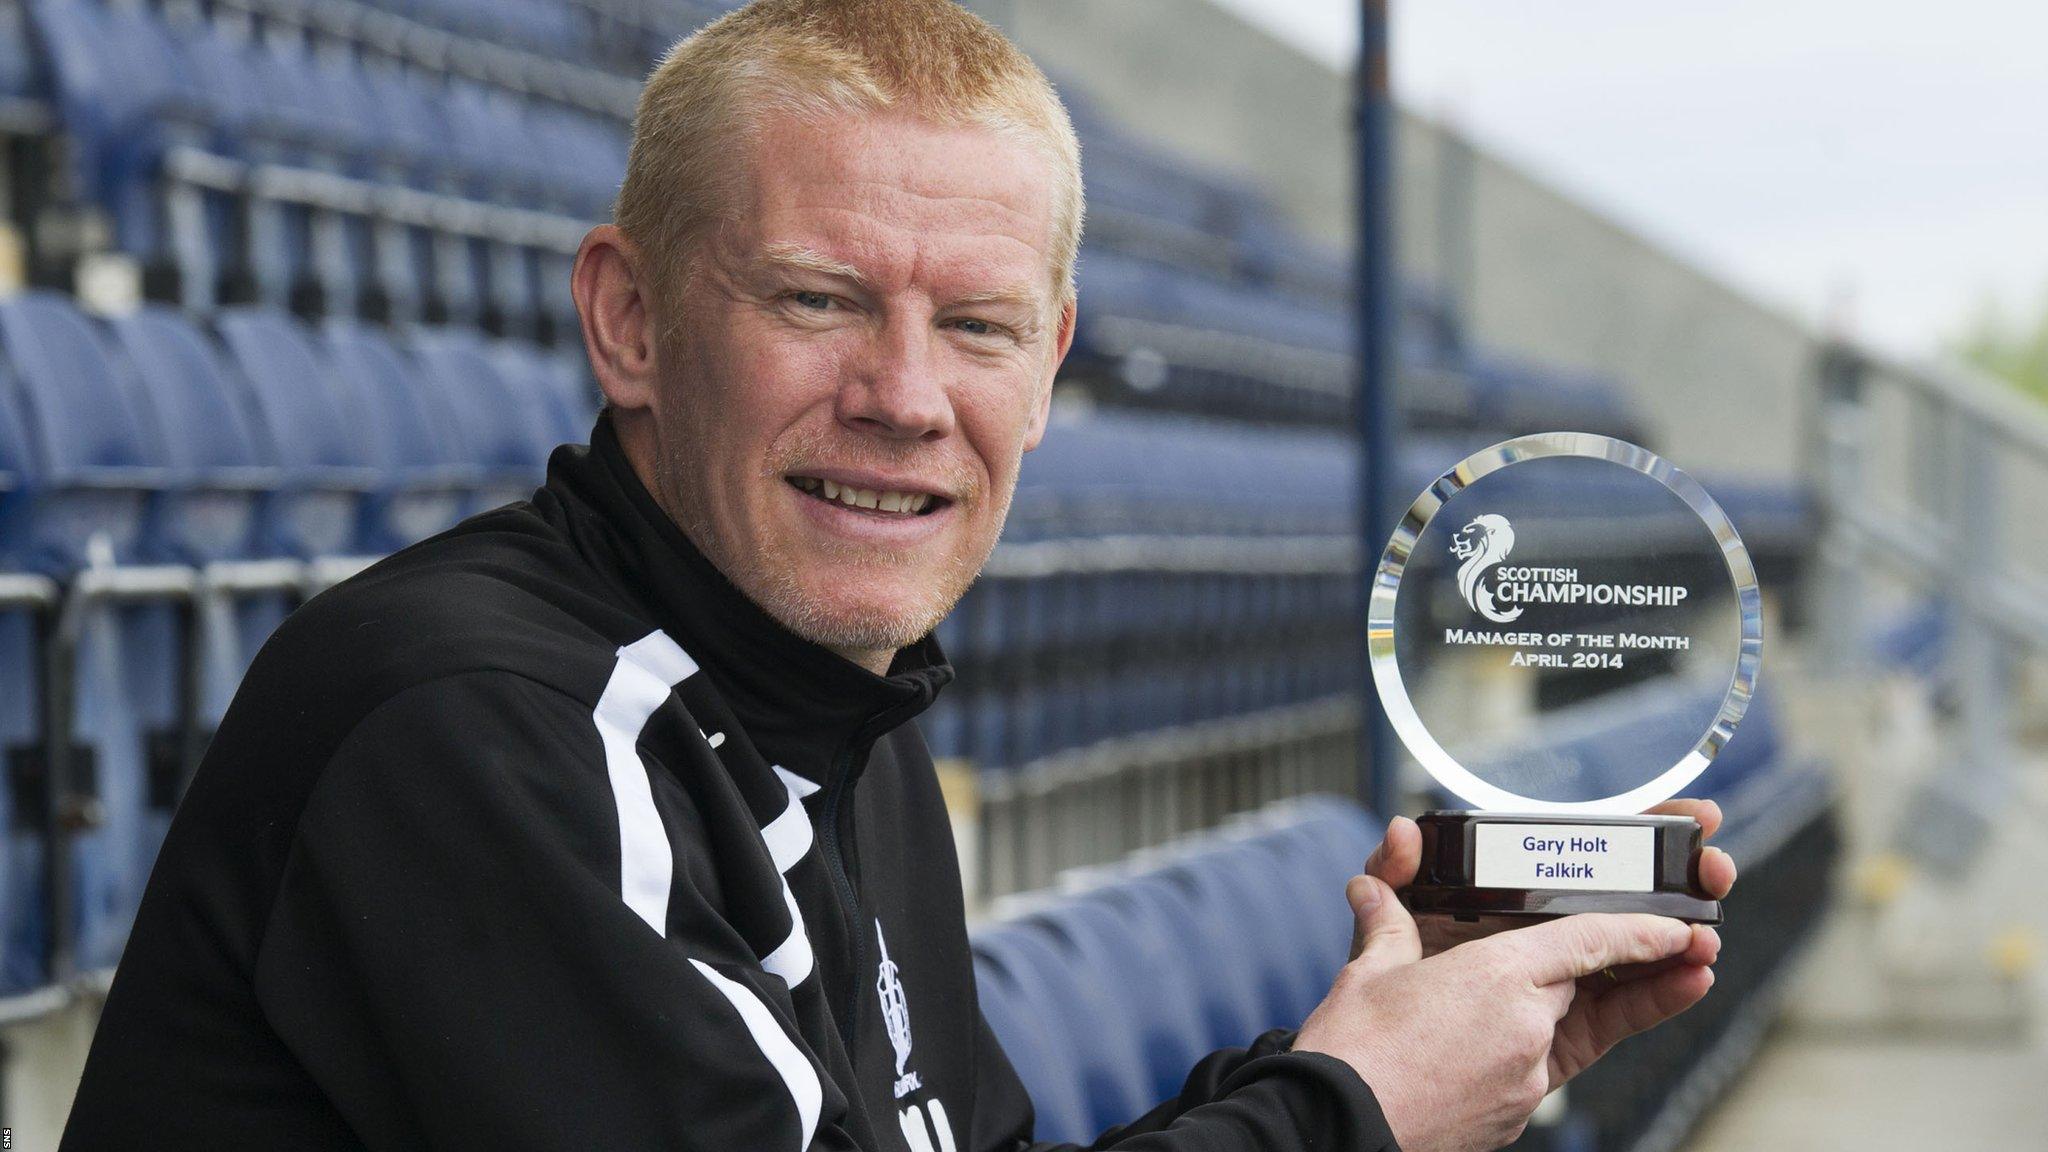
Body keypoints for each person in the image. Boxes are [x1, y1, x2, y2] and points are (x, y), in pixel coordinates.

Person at [59, 1, 1736, 1149]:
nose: (906, 397)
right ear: (629, 322)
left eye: (980, 327)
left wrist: (1371, 1053)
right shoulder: (484, 727)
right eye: (816, 299)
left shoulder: (834, 718)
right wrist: (1349, 1119)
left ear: (1054, 362)